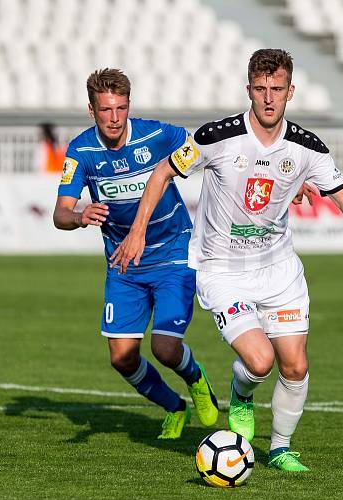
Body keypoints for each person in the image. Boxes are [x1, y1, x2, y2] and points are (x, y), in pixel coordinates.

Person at [110, 49, 343, 471]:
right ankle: (242, 394)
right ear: (248, 89)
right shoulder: (219, 137)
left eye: (277, 89)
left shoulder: (307, 146)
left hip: (279, 270)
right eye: (260, 89)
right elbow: (162, 172)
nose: (269, 98)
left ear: (291, 91)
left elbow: (340, 191)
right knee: (259, 361)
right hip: (223, 271)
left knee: (296, 364)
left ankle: (281, 448)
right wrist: (138, 230)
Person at [52, 68, 219, 439]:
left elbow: (206, 147)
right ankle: (174, 407)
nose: (114, 118)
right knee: (121, 357)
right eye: (106, 110)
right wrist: (79, 216)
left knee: (164, 347)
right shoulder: (81, 150)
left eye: (121, 108)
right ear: (91, 110)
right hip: (123, 263)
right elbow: (60, 213)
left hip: (174, 250)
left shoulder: (158, 135)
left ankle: (196, 379)